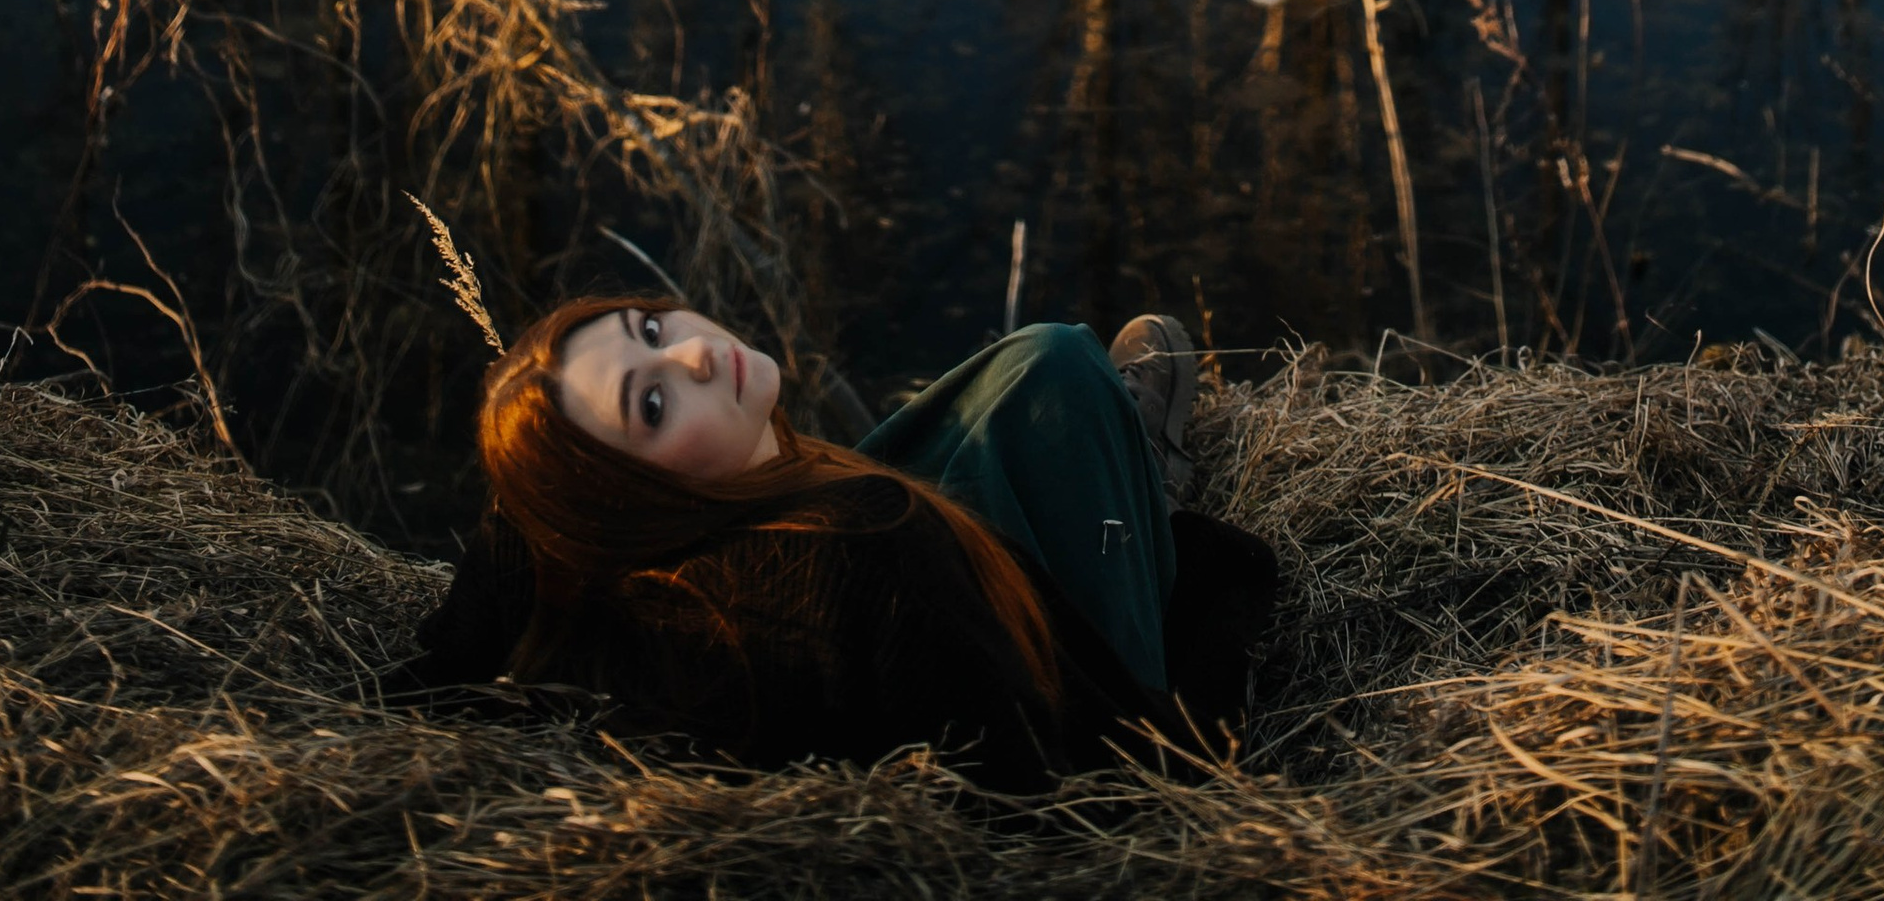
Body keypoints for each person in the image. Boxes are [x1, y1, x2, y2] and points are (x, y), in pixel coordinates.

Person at [391, 294, 1278, 789]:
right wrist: (1211, 582)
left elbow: (438, 673)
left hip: (886, 584)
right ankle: (1139, 485)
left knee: (1037, 367)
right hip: (1066, 668)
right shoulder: (870, 558)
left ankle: (1102, 446)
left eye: (652, 329)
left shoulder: (559, 539)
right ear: (623, 503)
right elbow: (1101, 793)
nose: (695, 357)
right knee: (1067, 374)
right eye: (652, 406)